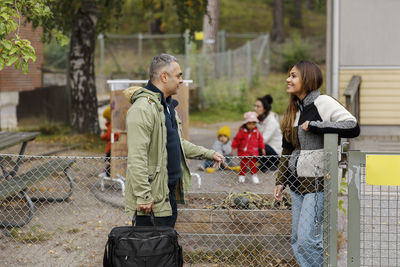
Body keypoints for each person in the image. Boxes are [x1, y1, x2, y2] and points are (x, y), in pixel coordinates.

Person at [273, 61, 360, 267]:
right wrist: (280, 181)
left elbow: (352, 126)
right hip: (296, 183)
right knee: (297, 240)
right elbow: (287, 150)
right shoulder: (293, 110)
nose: (288, 79)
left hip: (318, 182)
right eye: (288, 75)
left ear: (307, 78)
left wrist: (315, 125)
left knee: (307, 239)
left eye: (293, 76)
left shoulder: (323, 103)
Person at [124, 53, 224, 228]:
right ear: (164, 77)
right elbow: (136, 157)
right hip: (152, 199)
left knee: (164, 248)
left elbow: (178, 143)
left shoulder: (167, 107)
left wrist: (209, 153)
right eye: (179, 76)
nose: (182, 81)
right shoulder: (142, 109)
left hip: (167, 192)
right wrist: (144, 196)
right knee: (150, 251)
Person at [231, 111, 266, 184]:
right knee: (243, 164)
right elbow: (237, 139)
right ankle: (242, 175)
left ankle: (254, 175)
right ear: (245, 123)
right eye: (249, 123)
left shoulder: (256, 132)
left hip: (253, 151)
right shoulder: (242, 132)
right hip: (244, 152)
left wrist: (262, 148)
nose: (251, 125)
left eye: (253, 123)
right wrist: (233, 147)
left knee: (253, 165)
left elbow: (260, 140)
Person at [253, 94, 282, 172]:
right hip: (266, 149)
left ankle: (272, 165)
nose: (255, 108)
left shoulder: (272, 121)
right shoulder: (259, 119)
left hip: (276, 152)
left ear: (265, 109)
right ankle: (266, 164)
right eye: (254, 106)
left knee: (254, 146)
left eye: (258, 106)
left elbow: (263, 140)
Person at [100, 106, 120, 178]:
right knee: (110, 161)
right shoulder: (116, 124)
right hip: (114, 144)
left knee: (109, 160)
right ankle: (105, 172)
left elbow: (108, 135)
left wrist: (102, 136)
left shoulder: (112, 125)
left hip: (111, 146)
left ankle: (106, 172)